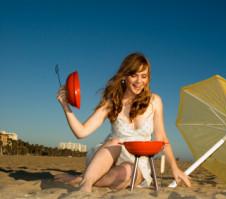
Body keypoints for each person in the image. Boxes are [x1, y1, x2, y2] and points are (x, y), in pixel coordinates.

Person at [55, 52, 191, 192]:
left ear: (148, 79)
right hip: (107, 158)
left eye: (143, 76)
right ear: (125, 76)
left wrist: (175, 168)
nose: (139, 81)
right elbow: (81, 132)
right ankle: (86, 184)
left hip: (136, 164)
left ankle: (83, 178)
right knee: (115, 141)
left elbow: (162, 138)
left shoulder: (155, 101)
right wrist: (65, 106)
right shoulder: (112, 102)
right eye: (134, 75)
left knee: (127, 171)